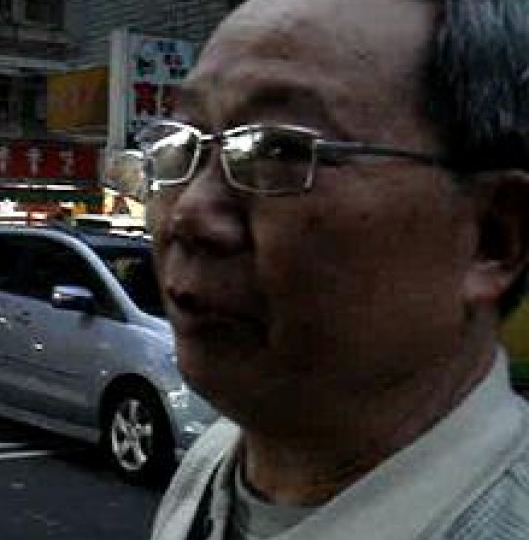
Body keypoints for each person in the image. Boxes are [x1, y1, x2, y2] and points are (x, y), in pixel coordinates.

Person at [138, 0, 529, 538]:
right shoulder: (213, 462)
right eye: (181, 143)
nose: (189, 216)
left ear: (493, 238)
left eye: (279, 151)